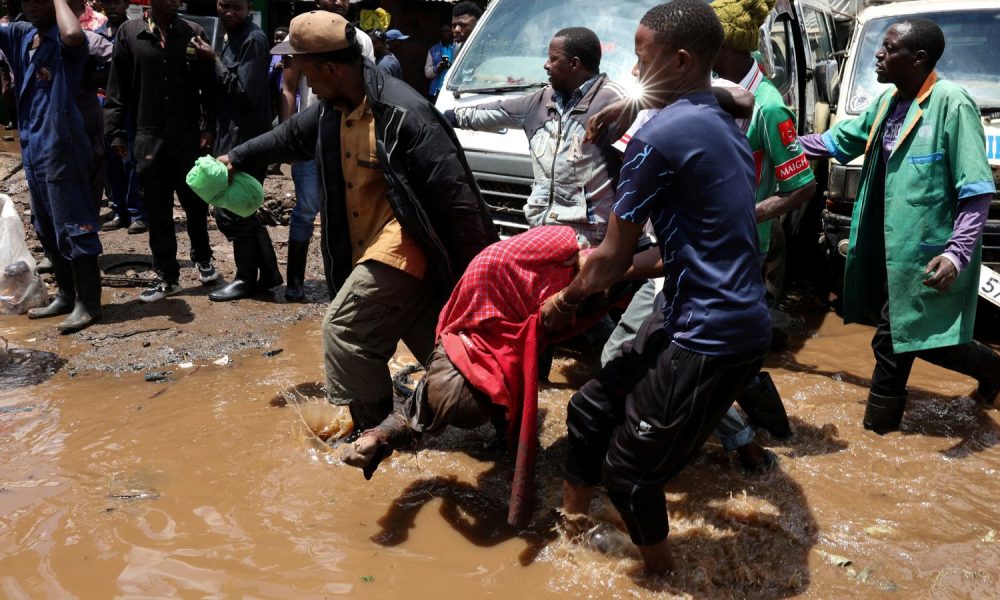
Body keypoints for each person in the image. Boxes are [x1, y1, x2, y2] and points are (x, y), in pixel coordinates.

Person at [546, 0, 771, 574]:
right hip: (689, 310)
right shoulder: (720, 118)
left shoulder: (657, 141)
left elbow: (610, 259)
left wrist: (564, 300)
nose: (631, 69)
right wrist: (631, 100)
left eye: (640, 57)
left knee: (630, 476)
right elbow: (736, 95)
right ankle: (572, 530)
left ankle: (661, 577)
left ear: (680, 58)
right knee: (590, 408)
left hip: (710, 334)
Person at [221, 11, 498, 433]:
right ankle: (506, 424)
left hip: (407, 246)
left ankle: (376, 438)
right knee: (448, 355)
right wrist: (234, 158)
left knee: (345, 332)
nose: (302, 79)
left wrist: (479, 281)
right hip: (368, 248)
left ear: (330, 68)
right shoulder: (333, 110)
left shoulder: (406, 113)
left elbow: (458, 200)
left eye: (305, 69)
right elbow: (290, 136)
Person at [799, 19, 1000, 433]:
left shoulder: (952, 104)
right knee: (904, 334)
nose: (879, 54)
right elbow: (838, 142)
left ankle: (878, 433)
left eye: (889, 48)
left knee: (892, 341)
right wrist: (783, 144)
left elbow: (977, 190)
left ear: (919, 59)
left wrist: (957, 253)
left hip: (928, 252)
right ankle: (991, 368)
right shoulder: (888, 102)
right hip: (888, 247)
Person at [446, 27, 623, 247]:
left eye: (552, 59)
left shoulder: (615, 102)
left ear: (574, 64)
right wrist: (443, 117)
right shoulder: (540, 101)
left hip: (589, 241)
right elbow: (492, 112)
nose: (546, 65)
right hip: (541, 232)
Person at [104, 0, 220, 303]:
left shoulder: (193, 33)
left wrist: (209, 126)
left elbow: (208, 85)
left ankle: (203, 257)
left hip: (188, 136)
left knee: (195, 201)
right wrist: (115, 132)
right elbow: (117, 87)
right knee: (157, 209)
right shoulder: (130, 34)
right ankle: (168, 276)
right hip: (148, 136)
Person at [1, 0, 104, 332]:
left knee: (74, 226)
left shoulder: (66, 42)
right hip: (32, 146)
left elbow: (74, 32)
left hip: (63, 146)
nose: (31, 5)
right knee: (46, 225)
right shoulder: (21, 34)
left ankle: (88, 305)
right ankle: (66, 295)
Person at [278, 0, 375, 303]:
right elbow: (289, 88)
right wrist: (288, 136)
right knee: (307, 210)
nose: (337, 2)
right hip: (309, 136)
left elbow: (368, 88)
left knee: (345, 210)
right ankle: (294, 281)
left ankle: (349, 285)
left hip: (346, 137)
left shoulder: (362, 41)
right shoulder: (297, 36)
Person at [191, 0, 282, 302]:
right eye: (224, 6)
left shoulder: (254, 40)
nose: (229, 13)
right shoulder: (228, 36)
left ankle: (245, 278)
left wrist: (214, 59)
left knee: (232, 210)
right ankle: (268, 273)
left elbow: (245, 94)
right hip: (229, 135)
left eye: (237, 7)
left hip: (245, 140)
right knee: (240, 209)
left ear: (248, 8)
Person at [101, 0, 146, 234]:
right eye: (107, 2)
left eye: (117, 2)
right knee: (111, 162)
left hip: (130, 106)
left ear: (126, 4)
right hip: (106, 106)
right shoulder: (96, 33)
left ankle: (137, 213)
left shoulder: (135, 32)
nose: (112, 7)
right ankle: (119, 211)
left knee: (131, 161)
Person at [424, 22, 452, 102]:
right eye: (443, 31)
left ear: (451, 32)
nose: (445, 33)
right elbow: (427, 73)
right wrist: (437, 68)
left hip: (450, 90)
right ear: (440, 33)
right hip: (437, 90)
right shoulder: (433, 50)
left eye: (448, 31)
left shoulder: (457, 48)